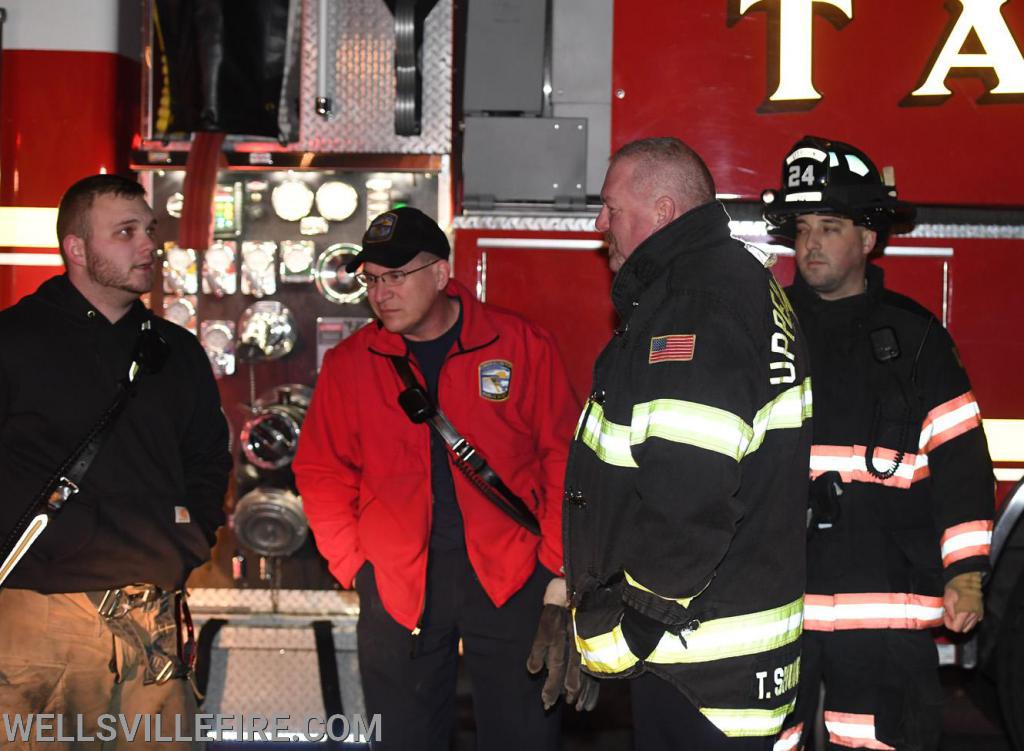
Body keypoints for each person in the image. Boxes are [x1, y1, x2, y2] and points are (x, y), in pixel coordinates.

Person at [555, 137, 813, 750]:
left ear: (663, 210)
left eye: (611, 208)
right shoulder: (733, 283)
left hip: (698, 665)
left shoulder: (693, 309)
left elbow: (688, 497)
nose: (599, 225)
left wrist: (630, 632)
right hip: (730, 656)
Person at [293, 206, 579, 751]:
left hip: (510, 573)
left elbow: (563, 456)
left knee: (522, 735)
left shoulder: (518, 345)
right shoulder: (353, 364)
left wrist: (554, 563)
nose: (382, 293)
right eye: (372, 279)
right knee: (404, 738)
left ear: (441, 273)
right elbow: (321, 469)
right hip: (398, 582)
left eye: (396, 276)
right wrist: (356, 566)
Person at [761, 135, 994, 751]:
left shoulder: (916, 339)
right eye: (803, 226)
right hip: (777, 604)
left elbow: (962, 461)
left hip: (886, 606)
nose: (810, 242)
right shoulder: (763, 331)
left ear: (868, 238)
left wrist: (967, 573)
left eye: (830, 226)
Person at [0, 174, 231, 749]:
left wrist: (188, 542)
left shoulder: (175, 350)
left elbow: (208, 458)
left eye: (149, 230)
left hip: (153, 618)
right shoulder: (13, 340)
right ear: (76, 249)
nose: (148, 246)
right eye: (125, 232)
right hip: (40, 622)